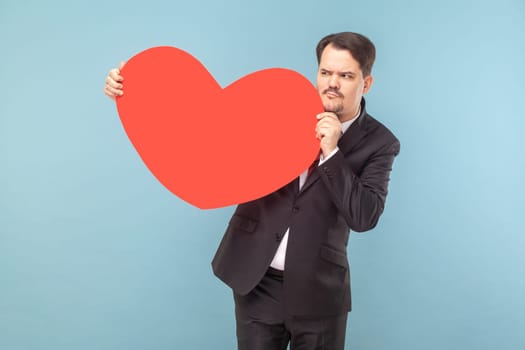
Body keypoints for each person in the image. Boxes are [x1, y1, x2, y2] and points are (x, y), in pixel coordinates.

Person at [104, 32, 400, 350]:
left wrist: (332, 154)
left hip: (320, 292)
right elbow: (205, 136)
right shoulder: (279, 107)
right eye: (326, 72)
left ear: (365, 83)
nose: (332, 83)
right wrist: (136, 88)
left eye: (345, 76)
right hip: (257, 281)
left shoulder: (380, 143)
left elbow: (364, 215)